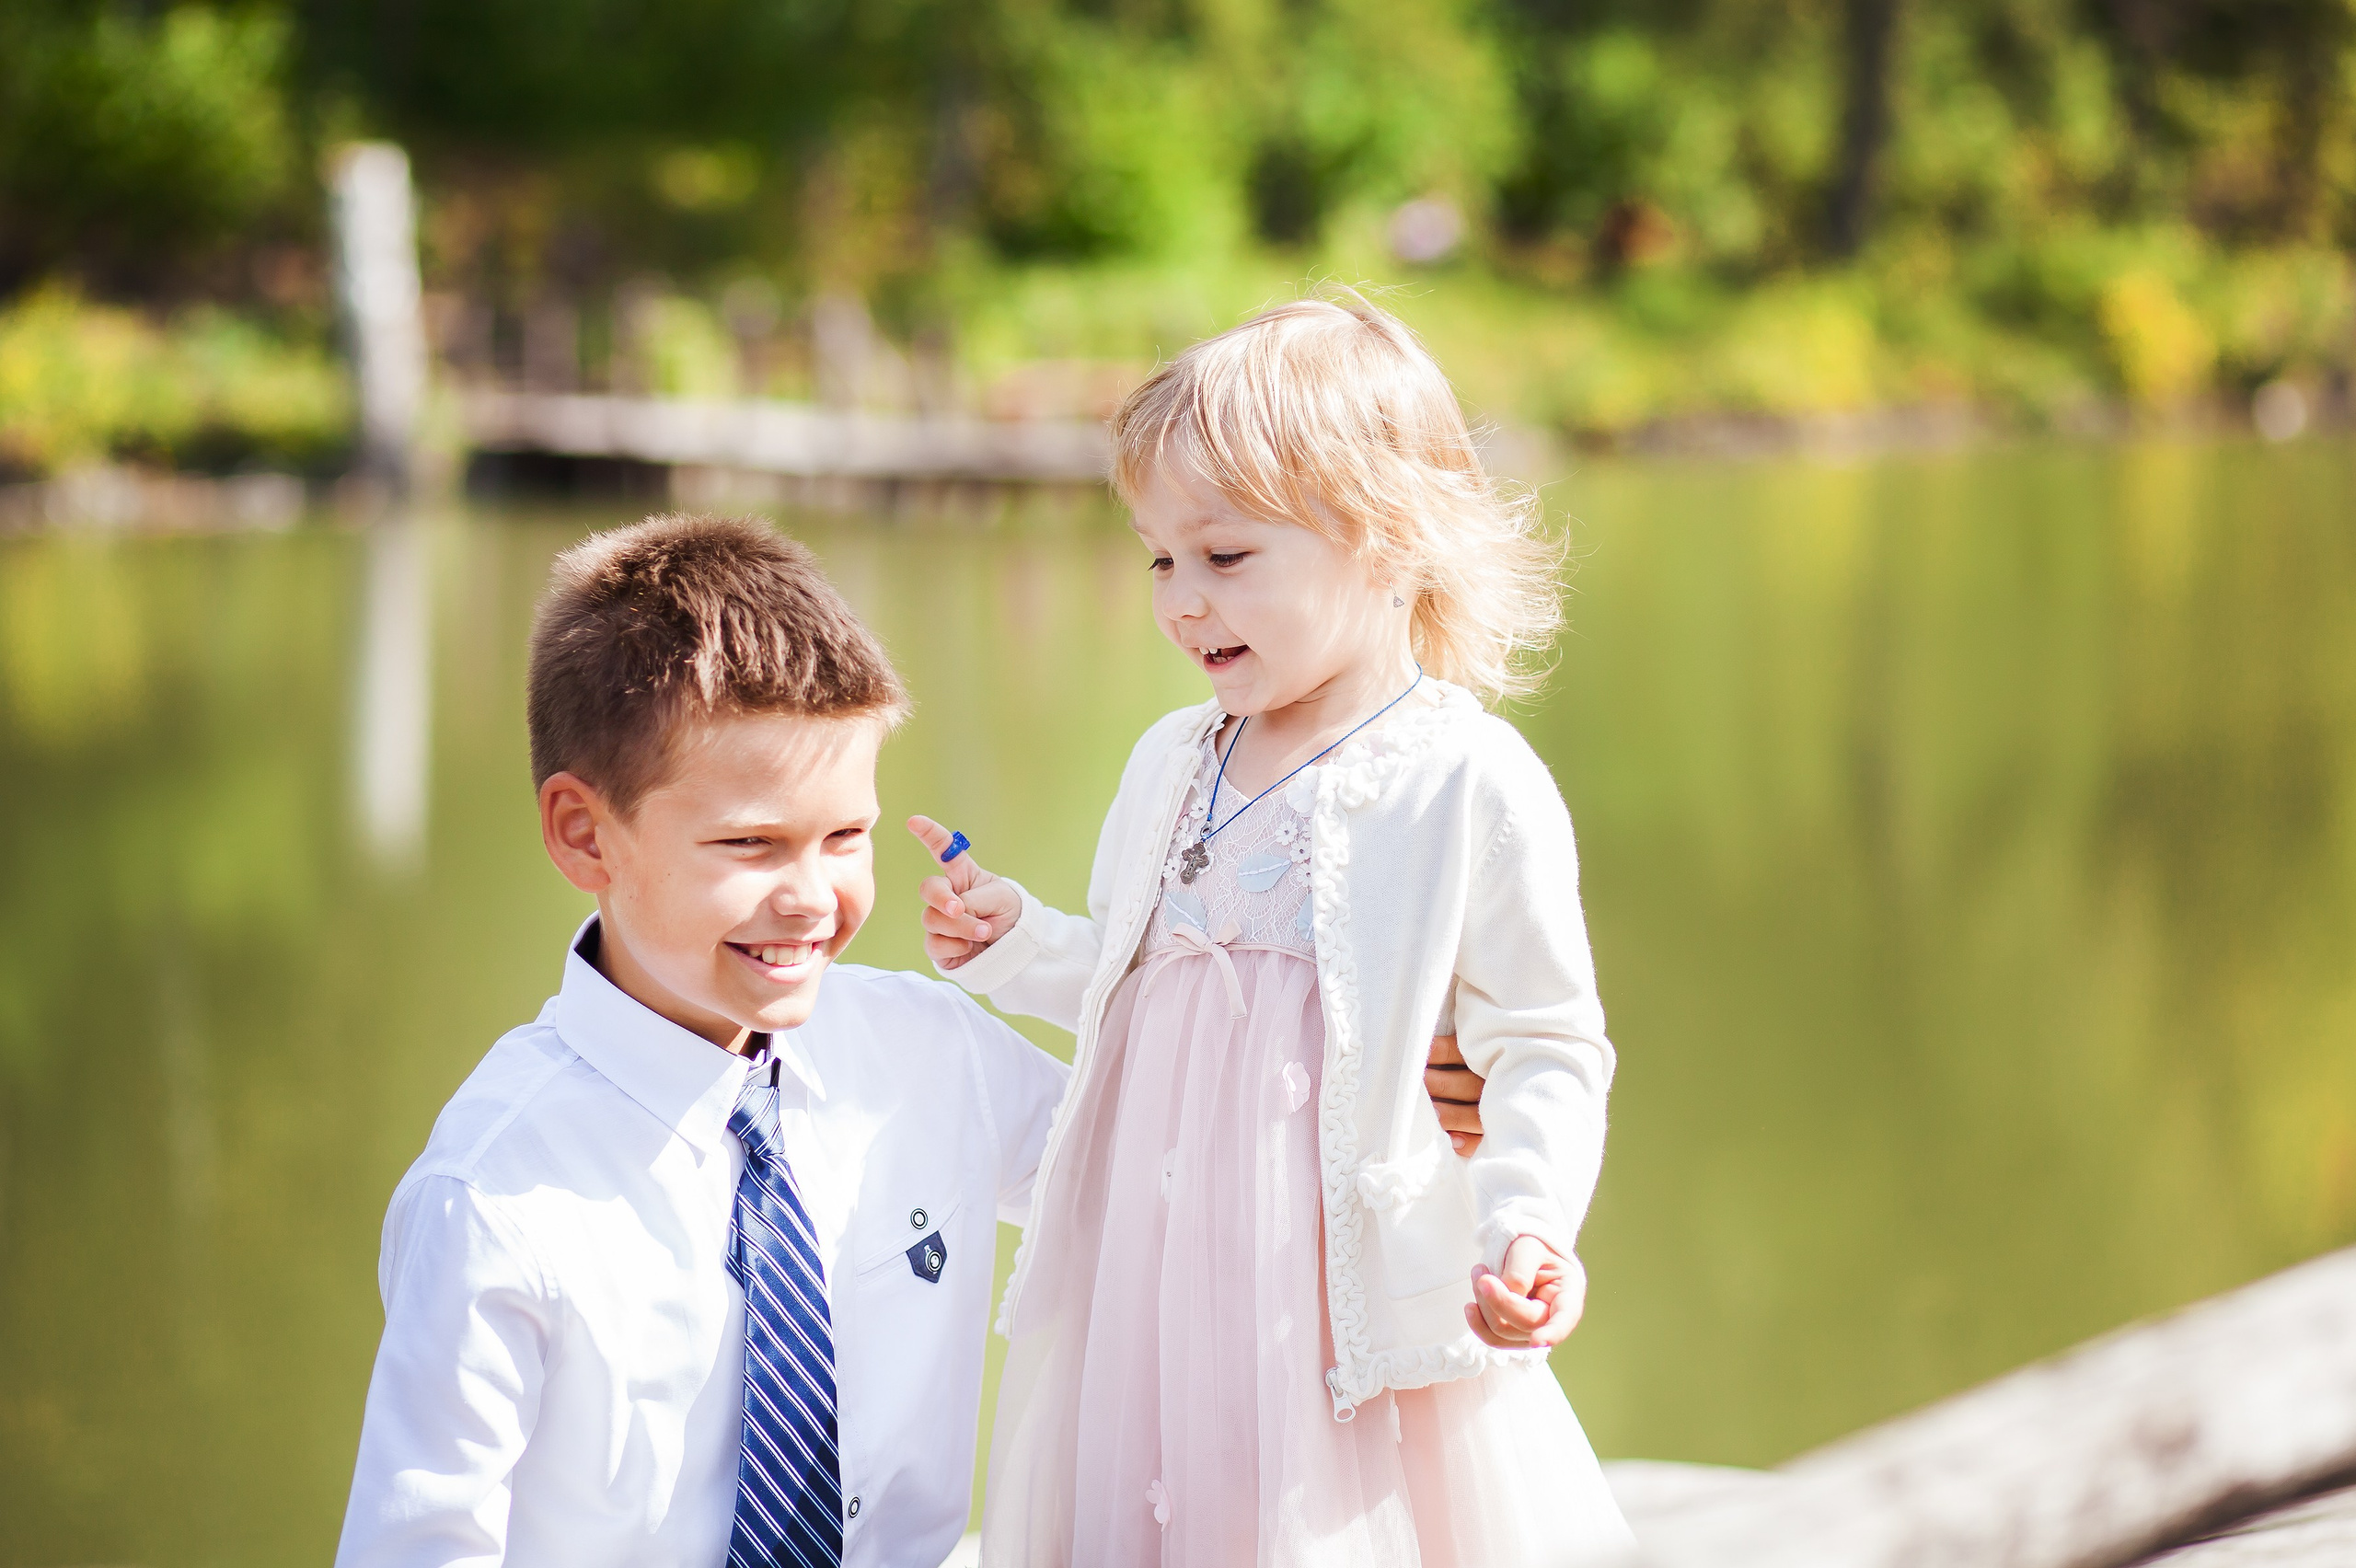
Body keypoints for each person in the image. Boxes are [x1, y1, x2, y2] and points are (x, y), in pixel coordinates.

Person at [333, 512, 1493, 1568]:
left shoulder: (928, 1053)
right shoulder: (494, 1197)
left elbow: (1177, 1189)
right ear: (585, 835)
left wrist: (1403, 1099)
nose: (812, 896)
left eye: (845, 836)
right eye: (750, 846)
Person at [913, 290, 1636, 1566]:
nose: (1183, 601)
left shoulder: (1462, 777)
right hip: (1154, 1282)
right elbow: (1147, 987)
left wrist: (1527, 1222)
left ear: (1385, 538)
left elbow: (1544, 1042)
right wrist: (1019, 938)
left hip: (1323, 1310)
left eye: (1227, 557)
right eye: (1158, 558)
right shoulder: (1173, 759)